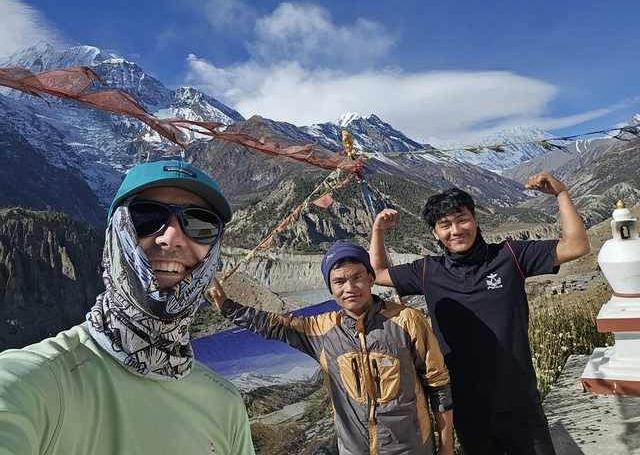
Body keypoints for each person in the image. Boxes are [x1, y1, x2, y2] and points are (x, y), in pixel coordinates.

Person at [0, 161, 255, 455]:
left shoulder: (226, 406)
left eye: (200, 224)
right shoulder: (36, 386)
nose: (171, 238)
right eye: (147, 217)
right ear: (115, 236)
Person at [369, 171, 590, 455]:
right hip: (465, 406)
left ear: (476, 219)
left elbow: (577, 246)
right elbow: (376, 274)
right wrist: (378, 231)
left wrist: (561, 193)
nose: (456, 230)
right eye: (445, 225)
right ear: (435, 234)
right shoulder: (428, 271)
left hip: (519, 400)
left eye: (462, 219)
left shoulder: (510, 256)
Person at [209, 239, 454, 455]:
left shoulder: (407, 321)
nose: (349, 288)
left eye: (357, 277)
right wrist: (227, 307)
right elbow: (272, 325)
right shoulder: (322, 330)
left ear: (370, 278)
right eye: (339, 281)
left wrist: (446, 447)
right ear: (331, 288)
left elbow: (439, 385)